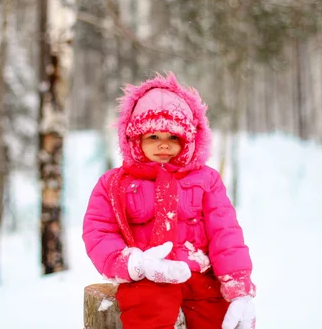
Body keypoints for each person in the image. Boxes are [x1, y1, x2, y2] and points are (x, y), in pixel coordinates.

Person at [82, 72, 256, 329]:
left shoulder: (205, 179)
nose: (163, 145)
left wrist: (238, 286)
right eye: (153, 136)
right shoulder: (115, 183)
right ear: (134, 139)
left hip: (199, 273)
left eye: (172, 137)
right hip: (148, 276)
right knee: (148, 312)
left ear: (188, 140)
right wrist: (131, 263)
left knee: (219, 317)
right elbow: (99, 231)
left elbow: (226, 234)